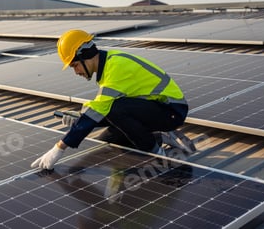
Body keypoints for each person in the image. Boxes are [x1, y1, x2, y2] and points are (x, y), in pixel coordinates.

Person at [31, 29, 190, 170]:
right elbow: (101, 110)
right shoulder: (107, 64)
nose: (76, 71)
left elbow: (103, 109)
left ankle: (158, 153)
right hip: (153, 107)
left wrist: (59, 148)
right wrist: (79, 120)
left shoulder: (115, 68)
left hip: (172, 110)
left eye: (75, 65)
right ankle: (160, 135)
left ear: (85, 55)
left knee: (115, 108)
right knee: (106, 141)